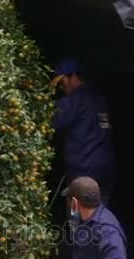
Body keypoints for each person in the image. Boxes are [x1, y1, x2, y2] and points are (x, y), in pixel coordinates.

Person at [52, 58, 115, 206]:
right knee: (99, 218)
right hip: (105, 171)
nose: (62, 88)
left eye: (63, 83)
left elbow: (52, 123)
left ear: (73, 77)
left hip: (84, 173)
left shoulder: (73, 101)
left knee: (80, 221)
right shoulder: (100, 99)